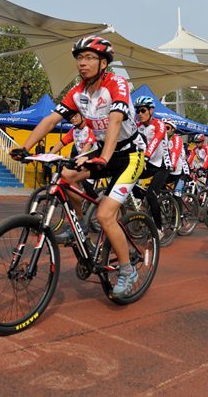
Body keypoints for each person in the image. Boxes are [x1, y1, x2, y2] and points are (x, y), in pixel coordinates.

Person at [9, 35, 145, 298]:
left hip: (129, 154)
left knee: (106, 215)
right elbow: (51, 120)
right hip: (102, 149)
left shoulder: (116, 84)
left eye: (89, 58)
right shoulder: (78, 92)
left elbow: (115, 122)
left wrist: (103, 157)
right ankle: (80, 226)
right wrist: (26, 148)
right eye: (80, 58)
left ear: (104, 63)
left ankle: (128, 270)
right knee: (65, 176)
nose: (82, 63)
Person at [133, 95, 171, 240]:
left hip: (162, 166)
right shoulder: (139, 126)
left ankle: (159, 228)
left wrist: (146, 156)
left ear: (151, 110)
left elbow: (156, 140)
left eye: (143, 110)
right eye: (138, 111)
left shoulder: (159, 125)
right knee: (129, 181)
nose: (140, 114)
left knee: (151, 195)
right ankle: (142, 203)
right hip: (148, 163)